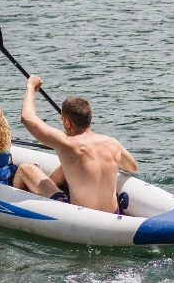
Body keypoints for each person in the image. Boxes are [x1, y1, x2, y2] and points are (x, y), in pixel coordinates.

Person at [13, 75, 138, 214]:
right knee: (66, 166)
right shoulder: (113, 143)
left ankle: (17, 203)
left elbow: (27, 118)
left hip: (79, 214)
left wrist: (31, 86)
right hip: (114, 213)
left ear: (68, 122)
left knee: (26, 168)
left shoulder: (67, 144)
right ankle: (51, 185)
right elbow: (132, 167)